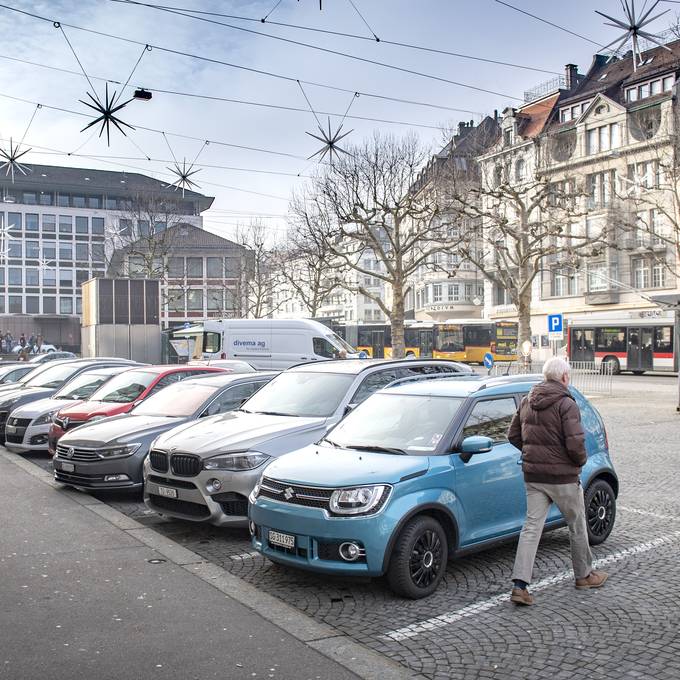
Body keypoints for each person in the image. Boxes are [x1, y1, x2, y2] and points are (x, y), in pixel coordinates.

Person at [507, 356, 607, 606]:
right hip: (563, 477)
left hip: (534, 477)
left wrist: (531, 453)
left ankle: (520, 586)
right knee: (576, 524)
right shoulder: (566, 403)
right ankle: (584, 575)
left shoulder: (527, 400)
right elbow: (575, 444)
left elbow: (513, 435)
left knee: (531, 529)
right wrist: (578, 462)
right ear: (564, 377)